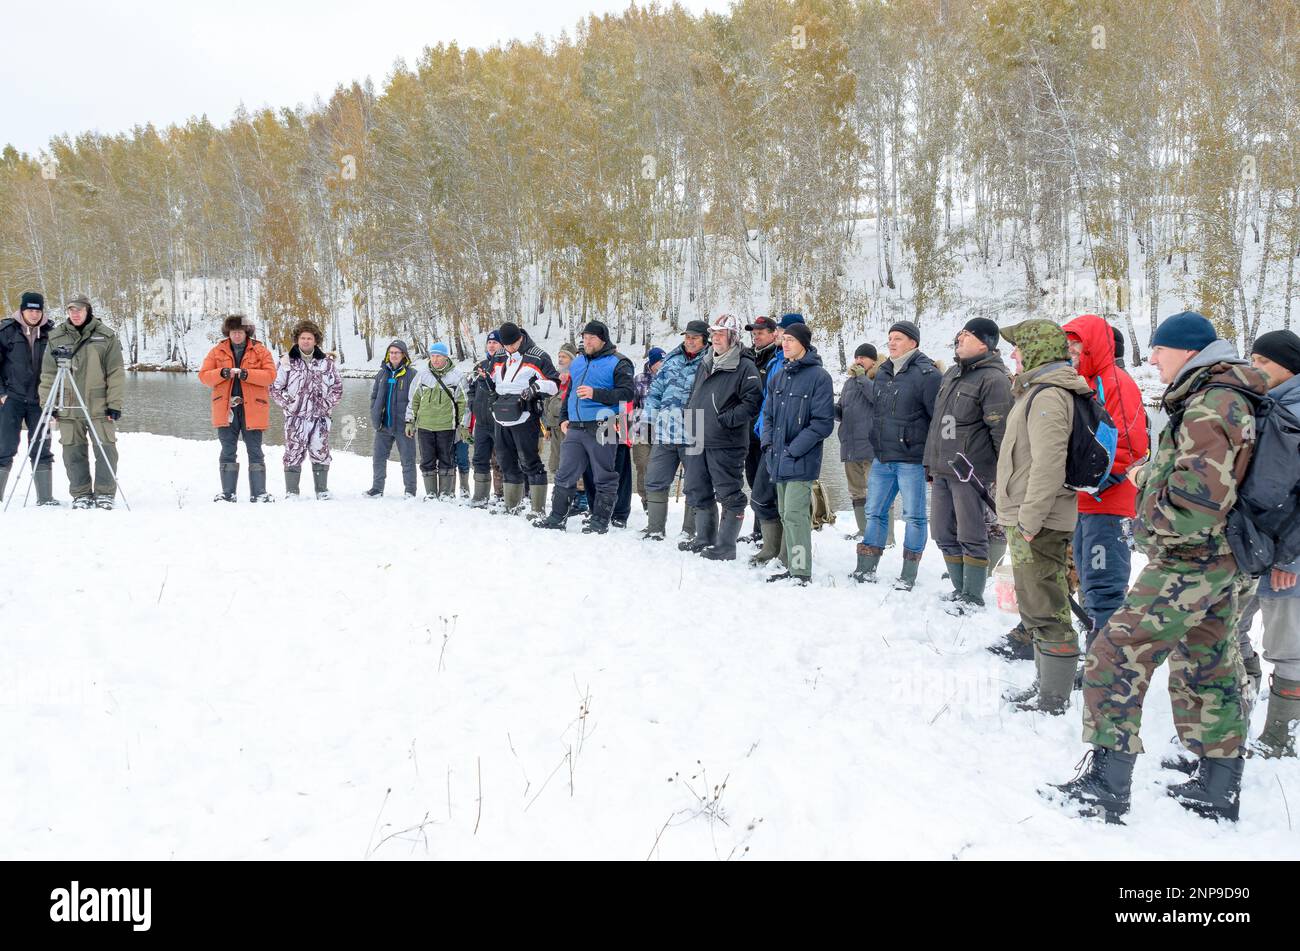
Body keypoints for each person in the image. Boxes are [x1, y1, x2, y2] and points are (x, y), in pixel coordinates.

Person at [1052, 312, 1268, 823]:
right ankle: (1218, 788)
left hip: (1190, 559)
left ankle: (1108, 784)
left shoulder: (1211, 404)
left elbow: (1195, 506)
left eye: (1160, 350)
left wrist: (1146, 505)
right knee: (1209, 660)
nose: (1152, 359)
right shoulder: (1227, 395)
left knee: (1114, 654)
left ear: (1189, 350)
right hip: (1223, 559)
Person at [994, 320, 1094, 714]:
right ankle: (1045, 687)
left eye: (1019, 348)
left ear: (1035, 350)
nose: (1014, 355)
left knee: (1048, 609)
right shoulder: (1038, 391)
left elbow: (1049, 465)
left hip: (1039, 521)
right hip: (1031, 517)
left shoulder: (1049, 396)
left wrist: (1030, 521)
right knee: (1037, 606)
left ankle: (1053, 699)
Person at [1062, 314, 1149, 645]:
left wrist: (1097, 480)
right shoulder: (1081, 383)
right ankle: (1095, 654)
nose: (1070, 350)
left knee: (1104, 584)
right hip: (1083, 501)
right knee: (1087, 578)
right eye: (1066, 344)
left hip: (1109, 504)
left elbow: (1130, 444)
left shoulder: (1114, 382)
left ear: (1093, 345)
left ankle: (1108, 666)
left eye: (1076, 344)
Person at [924, 318, 1011, 615]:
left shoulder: (995, 379)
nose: (958, 338)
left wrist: (1002, 476)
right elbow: (938, 425)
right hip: (942, 469)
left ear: (984, 343)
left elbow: (1002, 433)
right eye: (959, 332)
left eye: (966, 334)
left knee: (971, 535)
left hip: (972, 472)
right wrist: (930, 464)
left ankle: (972, 597)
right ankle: (959, 590)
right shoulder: (951, 374)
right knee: (941, 531)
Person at [853, 320, 941, 589]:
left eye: (898, 338)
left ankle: (908, 575)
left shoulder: (928, 375)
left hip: (912, 459)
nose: (891, 342)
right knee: (874, 511)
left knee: (914, 516)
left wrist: (932, 461)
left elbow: (936, 420)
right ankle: (866, 568)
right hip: (882, 457)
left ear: (913, 343)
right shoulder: (882, 372)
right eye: (890, 338)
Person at [1248, 330, 1300, 757]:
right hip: (1253, 546)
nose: (1255, 368)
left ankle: (1281, 737)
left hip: (1286, 553)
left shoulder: (1293, 411)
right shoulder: (1269, 404)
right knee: (1228, 628)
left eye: (1263, 361)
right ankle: (1240, 699)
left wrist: (1291, 558)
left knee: (1287, 648)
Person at [535, 321, 634, 533]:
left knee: (604, 475)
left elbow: (627, 393)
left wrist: (595, 393)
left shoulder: (619, 362)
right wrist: (563, 418)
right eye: (585, 337)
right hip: (576, 426)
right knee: (565, 472)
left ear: (603, 339)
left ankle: (600, 521)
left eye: (592, 338)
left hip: (604, 423)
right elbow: (568, 393)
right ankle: (556, 517)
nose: (587, 342)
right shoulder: (578, 362)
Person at [681, 314, 763, 559]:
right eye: (713, 333)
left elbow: (753, 403)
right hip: (697, 436)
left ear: (733, 337)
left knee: (729, 493)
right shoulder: (706, 362)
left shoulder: (744, 365)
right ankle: (704, 538)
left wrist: (725, 420)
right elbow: (695, 395)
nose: (715, 338)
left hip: (726, 441)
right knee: (697, 489)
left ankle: (726, 546)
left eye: (721, 333)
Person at [760, 321, 834, 584]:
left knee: (796, 516)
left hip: (800, 460)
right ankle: (792, 566)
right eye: (784, 339)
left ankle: (801, 571)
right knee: (784, 514)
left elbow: (822, 423)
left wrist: (794, 450)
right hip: (777, 458)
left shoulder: (819, 377)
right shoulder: (779, 375)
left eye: (791, 339)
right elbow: (767, 415)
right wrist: (768, 445)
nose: (785, 343)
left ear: (803, 343)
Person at [38, 295, 125, 509]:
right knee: (72, 451)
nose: (75, 314)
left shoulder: (106, 336)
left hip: (99, 404)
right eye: (71, 310)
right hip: (67, 404)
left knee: (106, 449)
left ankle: (105, 492)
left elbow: (116, 372)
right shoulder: (56, 337)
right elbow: (48, 375)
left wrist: (114, 403)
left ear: (88, 310)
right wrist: (48, 406)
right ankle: (81, 493)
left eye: (79, 309)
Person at [198, 315, 278, 502]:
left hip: (253, 410)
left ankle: (259, 493)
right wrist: (222, 373)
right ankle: (228, 493)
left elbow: (270, 376)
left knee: (255, 450)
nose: (236, 335)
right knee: (227, 450)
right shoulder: (217, 351)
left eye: (240, 332)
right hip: (226, 409)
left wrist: (246, 374)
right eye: (233, 332)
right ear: (228, 333)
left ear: (246, 332)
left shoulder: (260, 351)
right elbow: (203, 376)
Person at [641, 321, 708, 541]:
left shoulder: (710, 361)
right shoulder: (671, 359)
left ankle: (689, 531)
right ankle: (655, 529)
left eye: (694, 338)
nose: (689, 341)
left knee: (695, 483)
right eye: (687, 336)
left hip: (695, 433)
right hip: (665, 432)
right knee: (655, 479)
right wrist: (649, 419)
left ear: (705, 340)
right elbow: (656, 391)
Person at [488, 322, 559, 517]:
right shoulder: (500, 355)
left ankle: (537, 509)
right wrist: (485, 379)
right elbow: (492, 378)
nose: (510, 349)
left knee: (530, 461)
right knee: (505, 461)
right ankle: (512, 506)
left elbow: (554, 384)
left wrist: (536, 388)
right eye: (506, 345)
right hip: (501, 415)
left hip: (525, 416)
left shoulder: (538, 355)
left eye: (513, 344)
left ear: (520, 338)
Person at [749, 313, 803, 565]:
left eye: (785, 332)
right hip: (766, 438)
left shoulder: (809, 370)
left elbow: (817, 419)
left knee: (788, 504)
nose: (782, 336)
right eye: (781, 331)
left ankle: (789, 555)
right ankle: (770, 546)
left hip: (790, 445)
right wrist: (764, 431)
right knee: (760, 494)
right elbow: (767, 404)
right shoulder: (777, 363)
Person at [271, 319, 343, 499]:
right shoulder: (286, 361)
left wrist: (327, 404)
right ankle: (292, 492)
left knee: (321, 451)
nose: (305, 341)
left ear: (315, 340)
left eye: (309, 338)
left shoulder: (326, 363)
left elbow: (337, 388)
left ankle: (322, 491)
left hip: (320, 419)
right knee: (293, 451)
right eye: (302, 338)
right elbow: (274, 388)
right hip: (295, 418)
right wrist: (289, 404)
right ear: (297, 340)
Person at [0, 291, 56, 505]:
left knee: (42, 447)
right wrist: (2, 393)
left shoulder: (52, 333)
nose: (34, 314)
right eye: (30, 310)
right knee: (4, 447)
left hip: (40, 400)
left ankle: (45, 497)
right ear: (22, 310)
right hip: (11, 399)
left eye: (37, 310)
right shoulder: (6, 331)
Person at [406, 342, 467, 499]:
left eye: (438, 356)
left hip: (447, 426)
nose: (435, 359)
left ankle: (446, 493)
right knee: (427, 460)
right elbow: (413, 400)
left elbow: (465, 404)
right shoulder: (422, 375)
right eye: (432, 356)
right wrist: (409, 421)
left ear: (446, 357)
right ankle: (431, 493)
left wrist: (464, 426)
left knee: (447, 459)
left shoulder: (458, 377)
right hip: (425, 426)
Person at [365, 340, 418, 498]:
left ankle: (410, 491)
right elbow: (374, 396)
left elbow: (416, 401)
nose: (394, 355)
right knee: (378, 458)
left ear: (403, 355)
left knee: (407, 460)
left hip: (404, 426)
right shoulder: (382, 373)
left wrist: (411, 422)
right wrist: (374, 412)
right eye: (391, 352)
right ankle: (377, 488)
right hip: (383, 425)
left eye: (397, 352)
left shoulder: (412, 374)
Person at [744, 316, 781, 542]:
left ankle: (768, 535)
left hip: (766, 432)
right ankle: (758, 531)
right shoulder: (748, 357)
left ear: (773, 333)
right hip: (747, 432)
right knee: (752, 480)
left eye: (761, 332)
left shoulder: (776, 358)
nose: (756, 336)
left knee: (765, 485)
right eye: (754, 333)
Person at [836, 342, 877, 540]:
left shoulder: (880, 377)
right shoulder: (849, 383)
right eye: (857, 357)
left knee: (878, 492)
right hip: (850, 445)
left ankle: (885, 536)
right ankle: (863, 530)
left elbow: (877, 399)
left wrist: (862, 376)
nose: (858, 361)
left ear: (873, 361)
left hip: (871, 446)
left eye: (863, 358)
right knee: (856, 491)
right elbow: (841, 410)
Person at [468, 331, 503, 507]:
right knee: (479, 459)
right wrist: (472, 404)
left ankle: (504, 496)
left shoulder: (506, 364)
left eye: (495, 342)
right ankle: (480, 496)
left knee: (503, 459)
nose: (491, 345)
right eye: (489, 342)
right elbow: (471, 389)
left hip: (500, 421)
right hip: (481, 422)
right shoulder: (479, 365)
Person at [631, 346, 666, 510]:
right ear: (652, 362)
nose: (663, 364)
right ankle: (645, 499)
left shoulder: (669, 379)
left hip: (663, 429)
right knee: (643, 463)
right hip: (641, 428)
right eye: (660, 360)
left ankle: (657, 500)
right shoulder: (639, 379)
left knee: (659, 466)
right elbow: (631, 404)